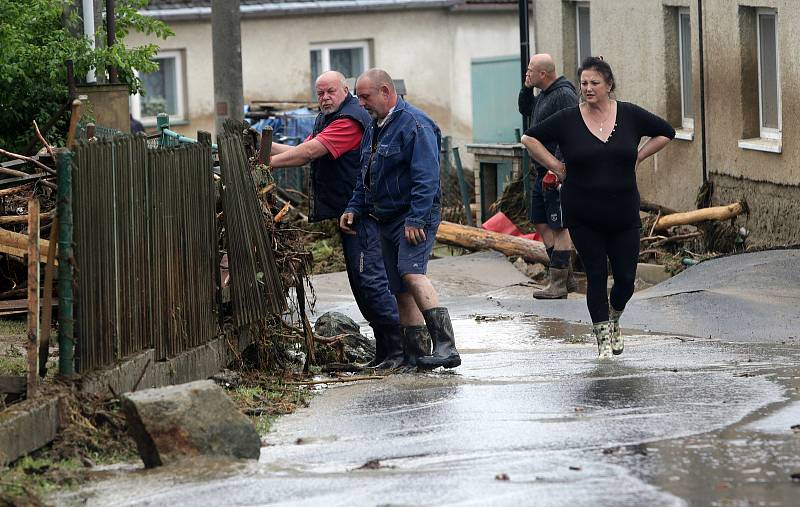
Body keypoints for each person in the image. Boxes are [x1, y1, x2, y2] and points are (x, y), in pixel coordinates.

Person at [521, 57, 674, 359]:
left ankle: (615, 317)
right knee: (594, 274)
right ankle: (603, 339)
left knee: (626, 280)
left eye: (595, 83)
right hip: (583, 213)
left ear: (609, 85)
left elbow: (666, 131)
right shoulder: (567, 118)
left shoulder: (629, 114)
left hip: (623, 213)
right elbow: (529, 138)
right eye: (584, 83)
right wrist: (555, 165)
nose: (588, 88)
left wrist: (639, 156)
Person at [269, 70, 401, 370]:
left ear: (345, 90)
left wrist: (266, 162)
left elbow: (309, 153)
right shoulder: (327, 119)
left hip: (365, 214)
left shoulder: (348, 121)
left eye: (330, 91)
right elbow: (299, 150)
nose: (325, 97)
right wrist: (262, 147)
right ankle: (385, 352)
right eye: (320, 93)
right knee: (361, 283)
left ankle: (399, 349)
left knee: (372, 282)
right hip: (350, 214)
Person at [340, 68, 460, 371]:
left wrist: (417, 219)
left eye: (365, 97)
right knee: (399, 287)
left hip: (413, 215)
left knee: (411, 272)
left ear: (385, 91)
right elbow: (364, 175)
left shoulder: (415, 124)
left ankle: (446, 346)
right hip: (386, 217)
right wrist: (354, 206)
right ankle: (414, 354)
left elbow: (426, 178)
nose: (361, 103)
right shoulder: (375, 126)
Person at [518, 54, 579, 299]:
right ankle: (568, 277)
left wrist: (558, 167)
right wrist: (525, 87)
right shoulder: (543, 93)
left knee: (560, 226)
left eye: (531, 70)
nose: (528, 73)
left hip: (556, 171)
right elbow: (524, 109)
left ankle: (558, 283)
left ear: (544, 74)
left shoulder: (563, 95)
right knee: (540, 221)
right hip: (541, 170)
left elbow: (571, 130)